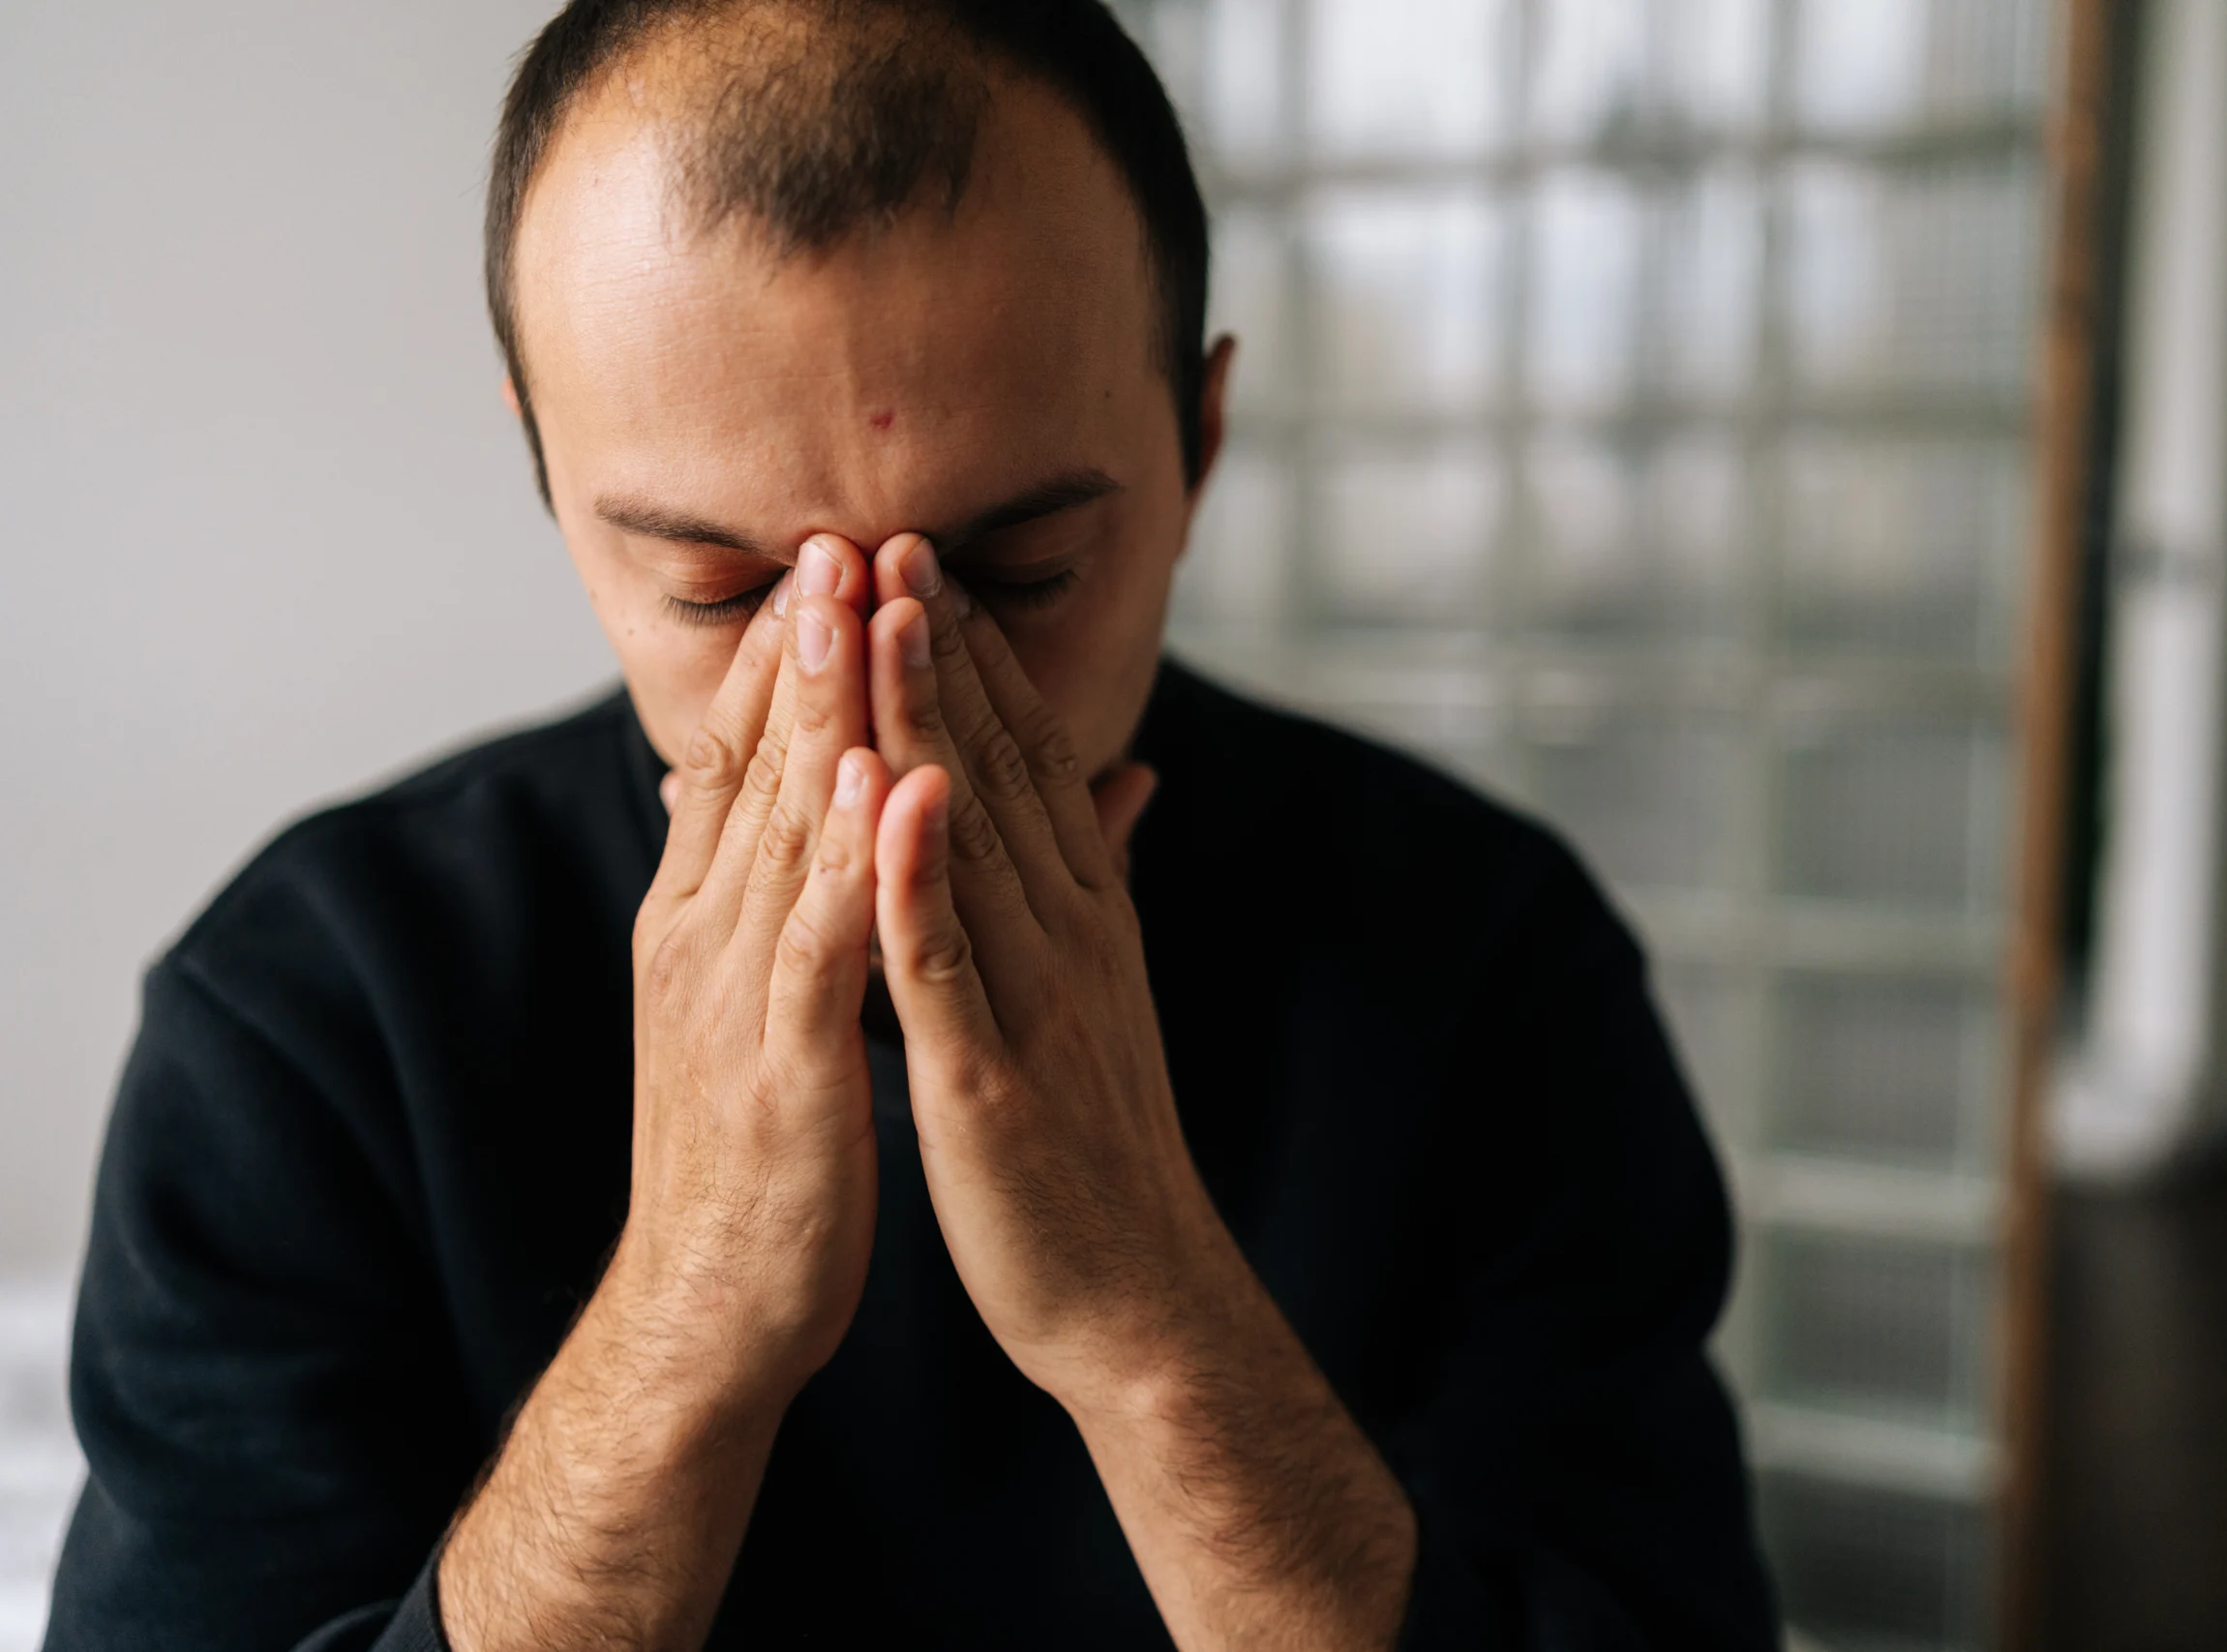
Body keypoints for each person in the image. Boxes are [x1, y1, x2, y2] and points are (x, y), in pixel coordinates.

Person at [45, 2, 1777, 1647]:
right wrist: (684, 1324)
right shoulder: (305, 1013)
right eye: (724, 594)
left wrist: (1155, 1320)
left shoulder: (1485, 967)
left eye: (1015, 576)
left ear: (1203, 439)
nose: (877, 715)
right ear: (551, 485)